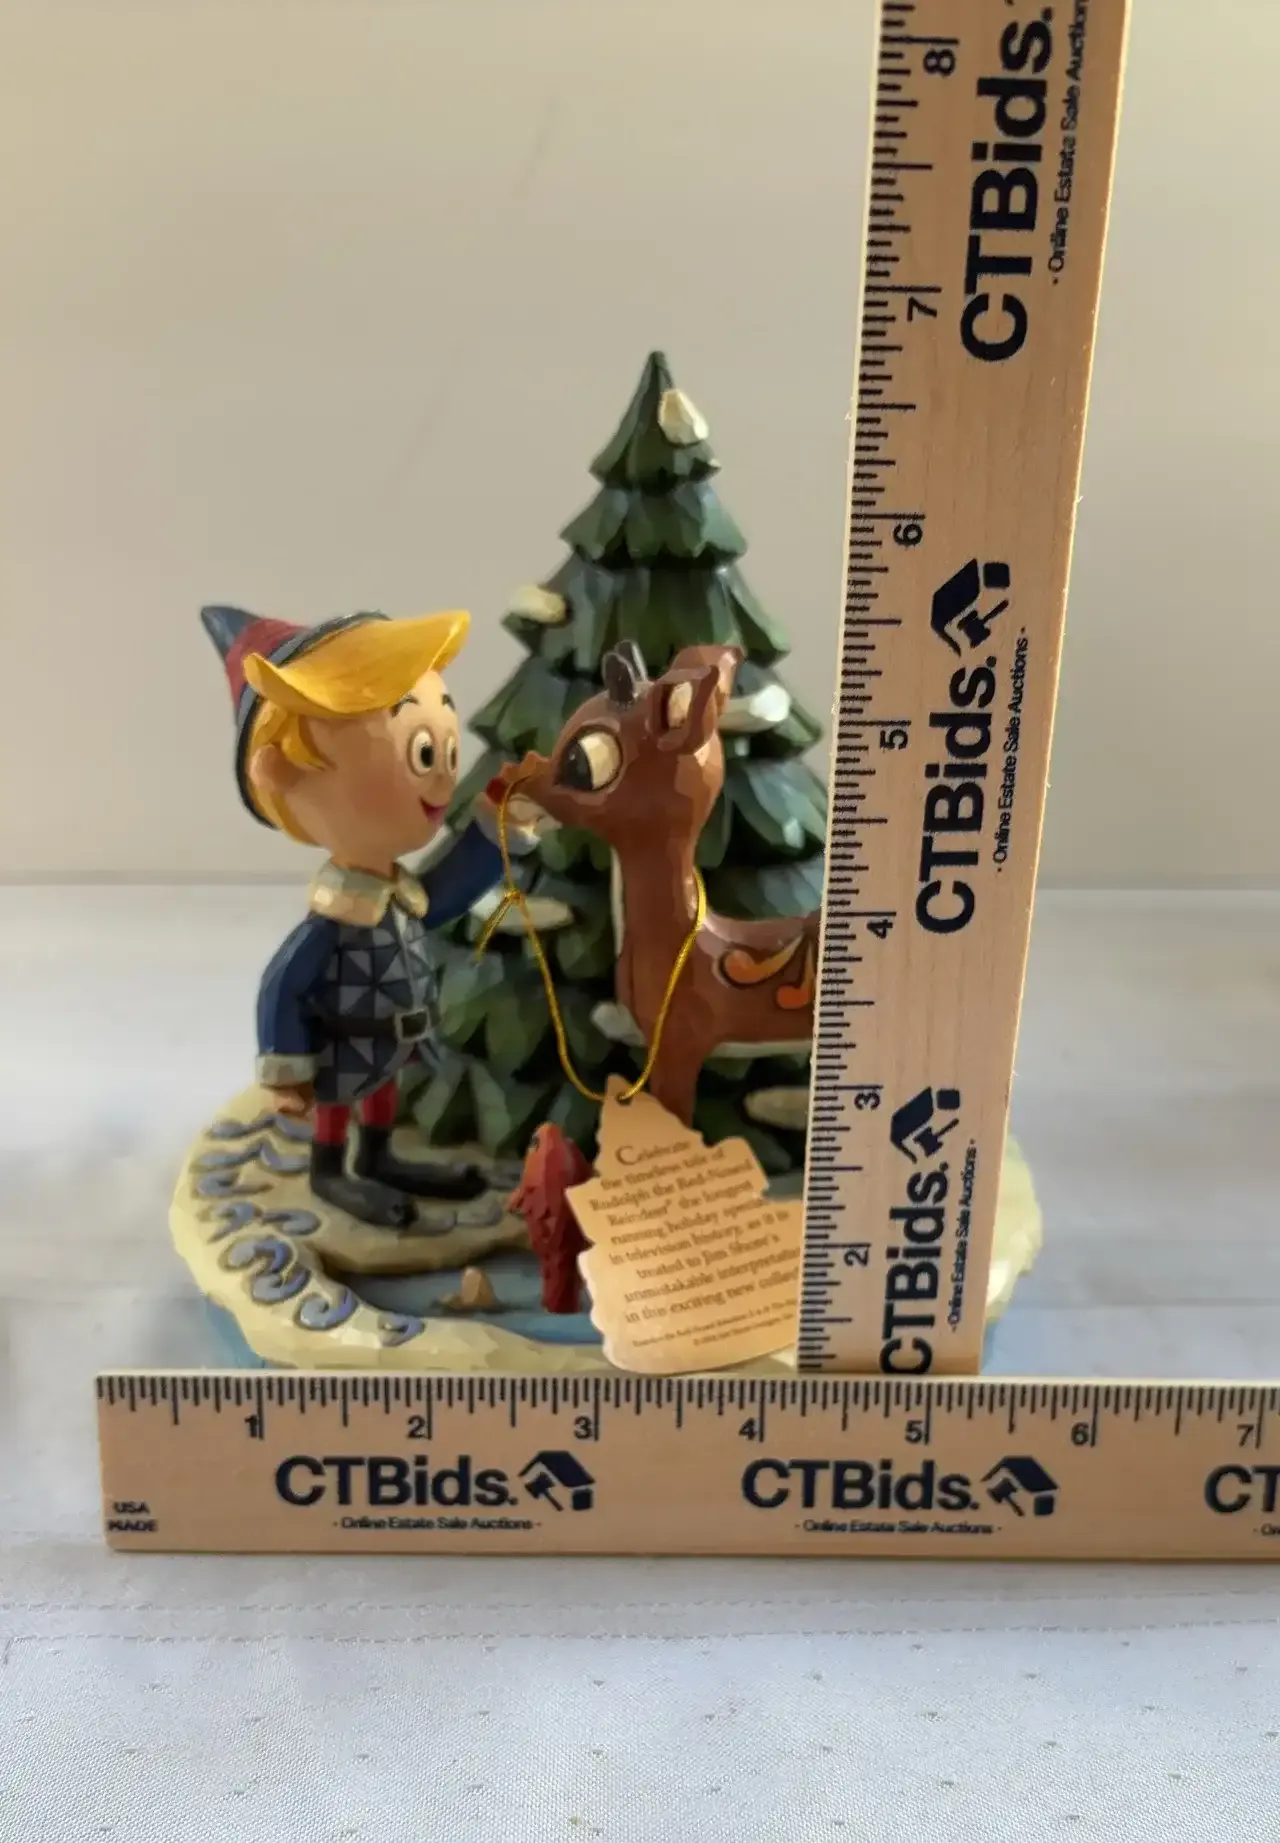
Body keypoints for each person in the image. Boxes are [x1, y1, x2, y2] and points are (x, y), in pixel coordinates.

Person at [201, 603, 541, 1228]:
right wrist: (286, 1072)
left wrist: (500, 831)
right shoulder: (335, 921)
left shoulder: (399, 895)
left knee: (382, 1089)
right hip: (345, 1042)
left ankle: (379, 1157)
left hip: (395, 1041)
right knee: (343, 1093)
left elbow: (447, 893)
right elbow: (283, 985)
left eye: (441, 749)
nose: (442, 779)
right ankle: (331, 1169)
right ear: (280, 772)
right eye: (421, 752)